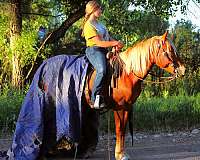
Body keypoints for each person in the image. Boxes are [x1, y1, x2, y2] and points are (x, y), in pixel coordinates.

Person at [82, 0, 123, 109]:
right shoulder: (88, 25)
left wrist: (116, 44)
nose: (101, 10)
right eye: (99, 8)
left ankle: (110, 96)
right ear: (93, 9)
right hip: (94, 50)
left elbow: (108, 39)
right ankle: (94, 99)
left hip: (104, 50)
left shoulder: (100, 24)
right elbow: (99, 42)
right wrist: (114, 43)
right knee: (102, 70)